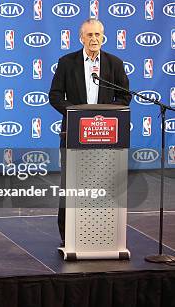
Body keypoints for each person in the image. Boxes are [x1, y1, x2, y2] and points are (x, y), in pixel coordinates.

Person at [49, 18, 131, 246]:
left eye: (98, 35)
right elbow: (54, 96)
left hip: (105, 135)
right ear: (81, 38)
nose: (94, 39)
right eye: (90, 35)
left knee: (103, 184)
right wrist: (78, 115)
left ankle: (100, 233)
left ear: (103, 37)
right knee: (71, 185)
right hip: (74, 134)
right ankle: (68, 237)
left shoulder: (114, 63)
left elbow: (124, 97)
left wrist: (103, 115)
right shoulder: (67, 62)